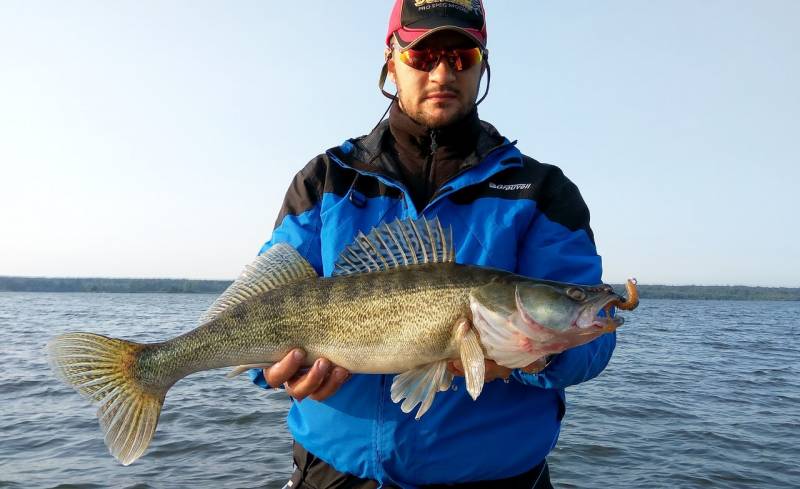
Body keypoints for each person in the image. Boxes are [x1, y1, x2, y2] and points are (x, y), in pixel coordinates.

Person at [250, 1, 615, 487]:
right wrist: (274, 370)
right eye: (422, 56)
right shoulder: (326, 179)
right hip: (333, 476)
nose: (443, 72)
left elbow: (594, 342)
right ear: (391, 61)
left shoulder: (541, 191)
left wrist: (539, 355)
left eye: (461, 56)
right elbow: (255, 311)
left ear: (482, 63)